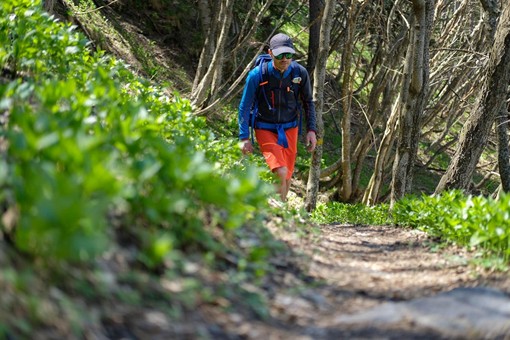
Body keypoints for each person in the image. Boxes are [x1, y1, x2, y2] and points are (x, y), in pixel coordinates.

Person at [238, 33, 317, 202]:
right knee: (280, 171)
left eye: (289, 54)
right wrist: (244, 137)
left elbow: (308, 102)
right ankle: (278, 213)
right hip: (264, 127)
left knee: (287, 175)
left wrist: (311, 130)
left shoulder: (299, 73)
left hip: (290, 127)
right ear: (270, 53)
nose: (285, 59)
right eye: (280, 54)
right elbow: (244, 106)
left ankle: (283, 211)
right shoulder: (257, 75)